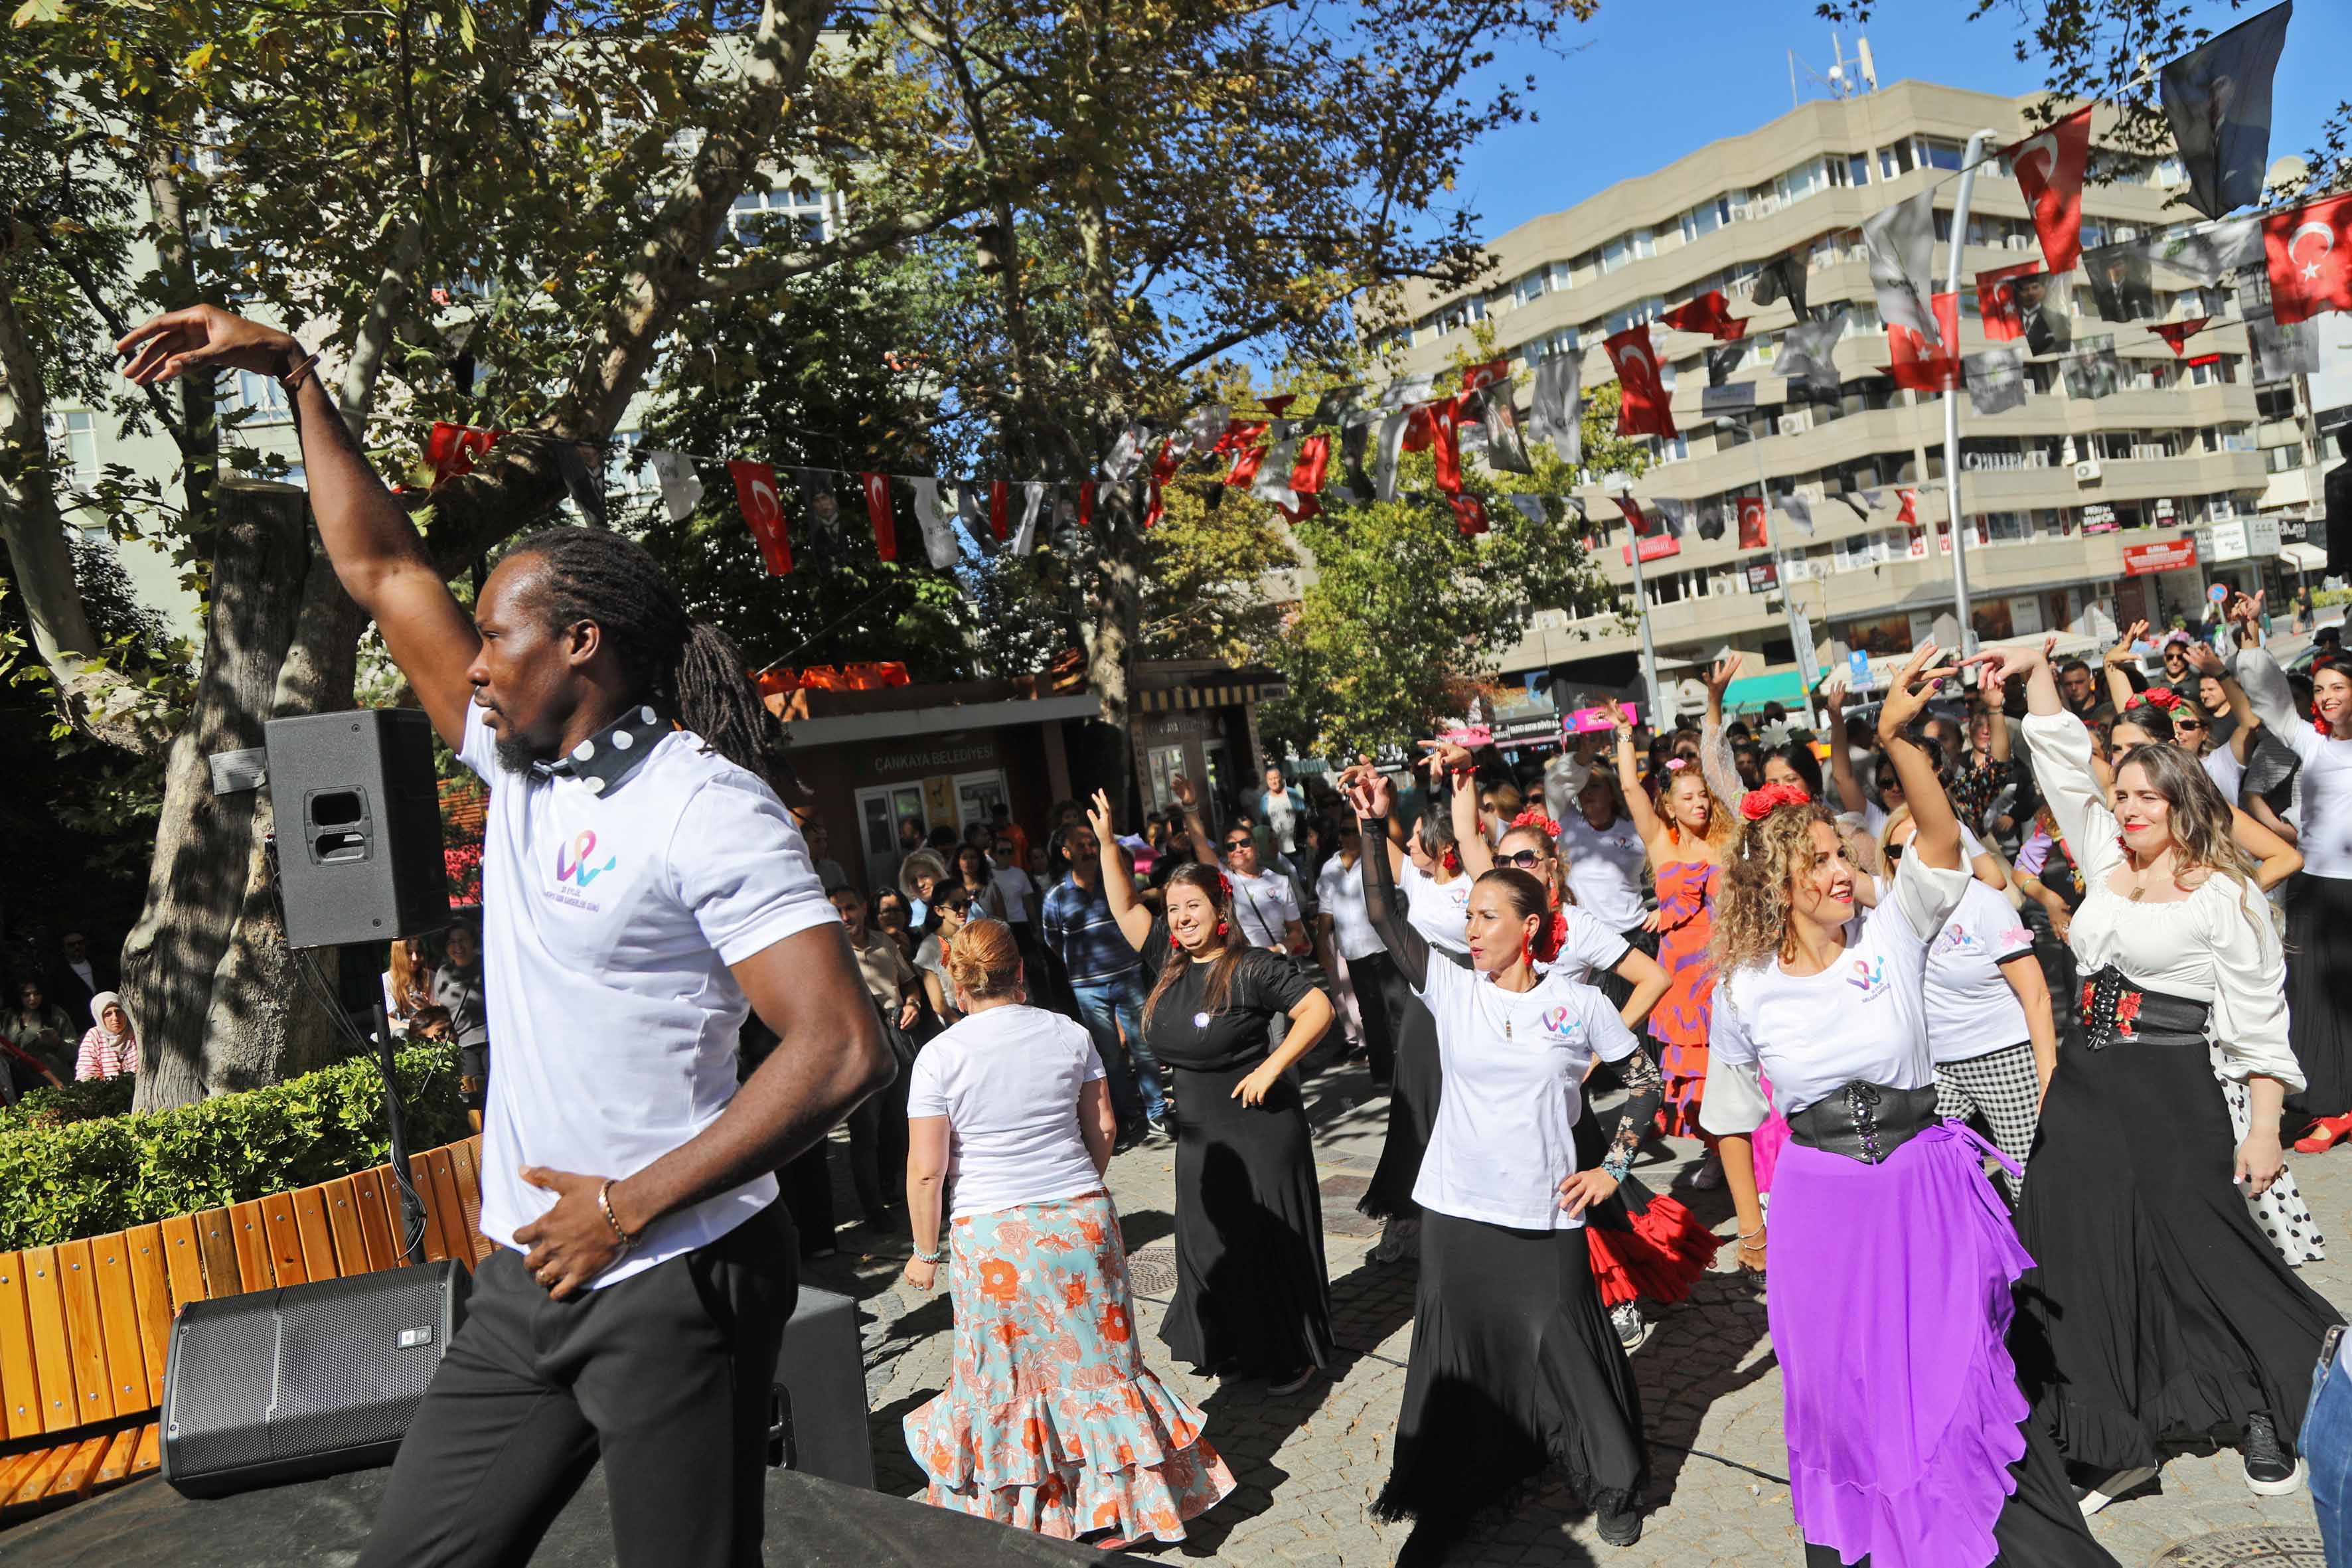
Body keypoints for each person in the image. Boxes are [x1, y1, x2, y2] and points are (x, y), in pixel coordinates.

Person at [118, 301, 897, 1568]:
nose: (471, 664)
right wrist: (297, 374)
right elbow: (383, 571)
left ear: (578, 646)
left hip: (673, 1274)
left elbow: (843, 1047)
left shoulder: (702, 806)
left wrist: (629, 1208)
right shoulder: (520, 765)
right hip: (521, 1284)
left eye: (497, 637)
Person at [1699, 643, 2120, 1568]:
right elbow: (1728, 1114)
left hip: (1921, 1187)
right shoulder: (1741, 988)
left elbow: (1936, 838)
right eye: (1815, 861)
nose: (1838, 871)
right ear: (1777, 882)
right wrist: (1748, 1223)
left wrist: (1895, 739)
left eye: (1839, 855)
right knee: (1841, 1395)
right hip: (1819, 1208)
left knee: (1950, 1373)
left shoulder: (1894, 926)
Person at [1979, 634, 2341, 1511]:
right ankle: (2107, 1437)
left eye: (2146, 795)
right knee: (2071, 1263)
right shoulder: (2104, 861)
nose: (2127, 805)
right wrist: (2033, 676)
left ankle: (2259, 1405)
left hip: (2174, 1091)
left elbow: (2260, 1019)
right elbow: (2064, 760)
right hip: (2083, 1091)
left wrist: (2262, 1126)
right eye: (2123, 793)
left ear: (2181, 801)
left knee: (2207, 1256)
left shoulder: (2225, 895)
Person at [1347, 770, 1656, 1551]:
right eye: (1469, 915)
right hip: (1456, 1208)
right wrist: (1371, 825)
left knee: (1565, 1341)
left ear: (1529, 925)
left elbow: (1646, 1083)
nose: (1472, 928)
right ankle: (1457, 1486)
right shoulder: (1453, 989)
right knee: (1460, 1348)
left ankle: (1615, 1483)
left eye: (1487, 916)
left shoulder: (1578, 1003)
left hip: (1544, 1211)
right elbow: (1383, 913)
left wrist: (1612, 1170)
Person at [899, 919, 1235, 1545]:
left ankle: (1026, 1514)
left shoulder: (939, 1056)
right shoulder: (1067, 1032)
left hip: (993, 1232)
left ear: (953, 977)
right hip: (1080, 1219)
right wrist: (1080, 1185)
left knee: (1005, 1380)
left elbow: (927, 1170)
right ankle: (1122, 1512)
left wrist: (924, 1253)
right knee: (1101, 1370)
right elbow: (1103, 1125)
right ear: (1020, 971)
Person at [1087, 792, 1336, 1391]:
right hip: (1199, 1141)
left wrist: (1273, 1066)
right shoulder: (1168, 962)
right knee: (1207, 1246)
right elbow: (1123, 903)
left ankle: (1288, 1353)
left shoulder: (1253, 967)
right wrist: (1105, 846)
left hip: (1259, 1133)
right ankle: (1228, 1345)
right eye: (1172, 909)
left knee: (1262, 1247)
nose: (1179, 919)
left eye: (1191, 906)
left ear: (1220, 906)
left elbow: (1317, 1009)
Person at [1875, 808, 2054, 1200]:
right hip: (1935, 1067)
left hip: (2003, 1059)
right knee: (1939, 1180)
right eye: (1896, 851)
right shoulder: (1891, 907)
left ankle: (2047, 1259)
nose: (1911, 861)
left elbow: (2037, 996)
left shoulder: (1985, 904)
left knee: (2027, 1181)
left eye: (1919, 848)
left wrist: (2048, 1080)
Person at [2224, 611, 2352, 1155]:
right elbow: (2273, 700)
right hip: (2317, 890)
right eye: (2319, 689)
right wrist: (2250, 638)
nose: (2324, 697)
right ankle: (2333, 1106)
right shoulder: (2315, 746)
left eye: (2337, 688)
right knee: (2314, 1002)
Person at [1356, 758, 1477, 1258]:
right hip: (1424, 1007)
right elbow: (1377, 845)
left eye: (1418, 836)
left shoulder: (1475, 883)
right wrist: (1369, 811)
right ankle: (1407, 1213)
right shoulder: (1418, 878)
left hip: (1472, 1003)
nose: (1408, 844)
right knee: (1417, 1106)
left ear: (1446, 849)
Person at [1608, 698, 1732, 1174]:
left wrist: (1714, 709)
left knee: (1729, 1069)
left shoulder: (1724, 842)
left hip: (1722, 969)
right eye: (1687, 797)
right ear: (1669, 804)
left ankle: (1740, 1152)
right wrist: (1624, 734)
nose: (1699, 803)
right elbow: (1627, 786)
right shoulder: (1661, 844)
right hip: (1679, 978)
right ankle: (1718, 1152)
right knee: (1693, 1075)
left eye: (1702, 795)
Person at [1040, 818, 1169, 1145]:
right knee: (1109, 1056)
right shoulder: (1055, 897)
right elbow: (1055, 942)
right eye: (1081, 845)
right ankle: (1128, 1116)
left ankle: (1157, 1112)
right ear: (1067, 853)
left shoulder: (1115, 882)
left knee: (1143, 1045)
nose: (1088, 850)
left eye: (1092, 844)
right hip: (1088, 987)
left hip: (1127, 975)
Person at [834, 886, 921, 1229]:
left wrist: (913, 1004)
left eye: (851, 908)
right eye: (838, 910)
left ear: (863, 908)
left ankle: (892, 1191)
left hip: (895, 1034)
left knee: (899, 1123)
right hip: (858, 1046)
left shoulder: (884, 943)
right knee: (865, 1131)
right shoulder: (829, 953)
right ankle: (873, 1210)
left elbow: (910, 983)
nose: (845, 917)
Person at [1172, 776, 1306, 954]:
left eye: (1244, 843)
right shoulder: (1225, 878)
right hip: (1242, 965)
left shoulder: (1280, 881)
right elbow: (1200, 843)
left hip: (1277, 965)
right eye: (1231, 846)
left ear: (1256, 847)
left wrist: (1280, 949)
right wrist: (1190, 806)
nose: (1239, 849)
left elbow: (1297, 931)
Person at [1314, 819, 1397, 1085]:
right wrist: (1322, 947)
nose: (1351, 836)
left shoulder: (1376, 859)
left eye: (1355, 831)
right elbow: (1325, 912)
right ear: (1339, 836)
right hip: (1352, 951)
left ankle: (1409, 1068)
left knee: (1397, 1009)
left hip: (1384, 946)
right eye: (1346, 831)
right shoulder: (1329, 869)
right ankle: (1383, 1074)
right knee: (1370, 1014)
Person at [433, 923, 491, 1129]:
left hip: (490, 1041)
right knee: (472, 1100)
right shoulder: (443, 973)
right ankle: (480, 1140)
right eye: (452, 942)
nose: (457, 946)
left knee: (495, 1091)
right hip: (461, 1046)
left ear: (472, 941)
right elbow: (438, 1009)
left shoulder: (487, 965)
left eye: (462, 940)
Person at [912, 886, 973, 1028]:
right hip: (957, 1020)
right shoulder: (929, 948)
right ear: (939, 911)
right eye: (955, 906)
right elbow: (939, 1005)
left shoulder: (971, 938)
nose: (963, 910)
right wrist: (966, 1027)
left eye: (966, 904)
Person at [3, 979, 76, 1089]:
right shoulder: (8, 1016)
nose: (33, 999)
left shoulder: (55, 1014)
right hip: (19, 1080)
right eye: (26, 995)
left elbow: (75, 1051)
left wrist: (57, 1043)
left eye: (37, 993)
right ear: (18, 996)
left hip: (53, 1078)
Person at [48, 929, 116, 1021]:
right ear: (63, 949)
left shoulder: (101, 967)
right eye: (71, 945)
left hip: (109, 1020)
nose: (77, 947)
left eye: (80, 943)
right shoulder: (57, 975)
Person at [76, 992, 139, 1081]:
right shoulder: (94, 1036)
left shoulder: (137, 1033)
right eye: (108, 1014)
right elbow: (86, 1075)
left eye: (118, 1011)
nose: (115, 1018)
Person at [1259, 763, 1307, 857]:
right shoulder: (1264, 800)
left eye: (1275, 778)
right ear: (1267, 781)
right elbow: (1265, 826)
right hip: (1277, 851)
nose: (1273, 782)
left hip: (1296, 847)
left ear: (1281, 778)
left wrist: (1303, 839)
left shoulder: (1293, 794)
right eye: (1270, 779)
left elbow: (1303, 818)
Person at [898, 848, 949, 934]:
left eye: (925, 876)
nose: (920, 884)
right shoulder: (906, 916)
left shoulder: (963, 904)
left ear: (938, 874)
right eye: (913, 881)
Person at [803, 815, 851, 894]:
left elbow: (846, 895)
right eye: (817, 841)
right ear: (804, 843)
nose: (824, 845)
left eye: (825, 840)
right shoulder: (797, 870)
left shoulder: (833, 868)